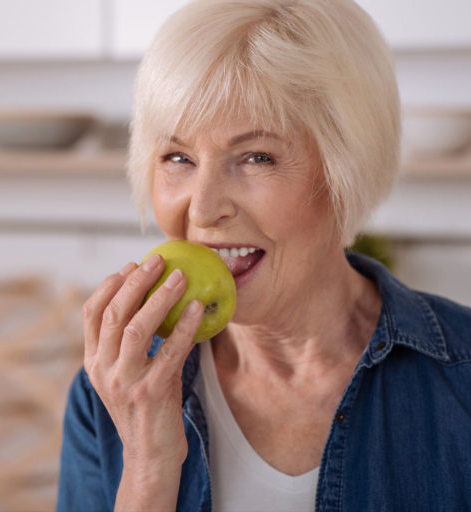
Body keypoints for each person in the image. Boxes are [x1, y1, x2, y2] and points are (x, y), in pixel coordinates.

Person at [56, 0, 471, 510]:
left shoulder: (462, 377)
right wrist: (148, 467)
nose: (204, 209)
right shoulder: (115, 391)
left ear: (346, 171)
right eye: (178, 157)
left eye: (257, 157)